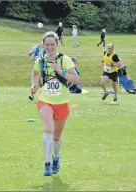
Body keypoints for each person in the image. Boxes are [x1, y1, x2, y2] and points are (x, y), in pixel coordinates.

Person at [30, 31, 80, 176]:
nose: (50, 47)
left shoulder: (65, 60)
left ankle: (56, 158)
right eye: (47, 45)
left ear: (57, 44)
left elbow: (76, 80)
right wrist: (34, 86)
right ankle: (47, 164)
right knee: (47, 128)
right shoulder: (40, 61)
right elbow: (35, 74)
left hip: (62, 103)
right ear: (43, 45)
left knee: (57, 137)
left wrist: (61, 72)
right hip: (45, 100)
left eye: (52, 44)